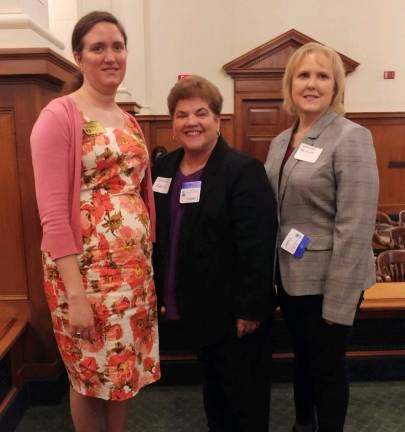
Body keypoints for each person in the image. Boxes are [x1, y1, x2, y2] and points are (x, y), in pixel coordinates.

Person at [30, 11, 160, 432]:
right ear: (78, 57)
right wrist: (76, 295)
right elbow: (52, 213)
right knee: (88, 374)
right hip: (83, 275)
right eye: (98, 48)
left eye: (117, 47)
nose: (110, 56)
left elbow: (139, 193)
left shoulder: (130, 121)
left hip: (132, 274)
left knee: (123, 372)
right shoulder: (59, 115)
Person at [152, 75, 278, 432]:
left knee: (244, 402)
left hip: (235, 314)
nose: (191, 121)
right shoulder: (163, 169)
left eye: (201, 113)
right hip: (193, 309)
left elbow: (258, 242)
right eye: (181, 114)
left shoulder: (242, 171)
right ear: (173, 124)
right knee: (214, 396)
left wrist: (250, 307)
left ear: (218, 121)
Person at [265, 42, 379, 432]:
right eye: (303, 75)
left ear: (336, 88)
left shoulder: (351, 137)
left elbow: (356, 226)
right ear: (290, 84)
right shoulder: (281, 141)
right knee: (303, 359)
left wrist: (339, 301)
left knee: (327, 368)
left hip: (332, 280)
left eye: (322, 76)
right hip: (291, 277)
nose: (311, 84)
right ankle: (302, 424)